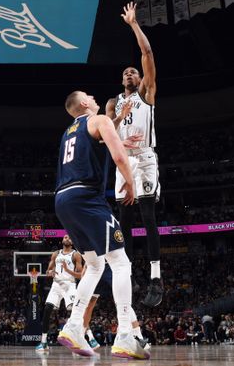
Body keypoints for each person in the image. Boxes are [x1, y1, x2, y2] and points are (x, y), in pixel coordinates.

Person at [53, 90, 149, 359]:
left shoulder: (69, 131)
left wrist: (117, 119)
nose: (93, 96)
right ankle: (125, 336)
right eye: (88, 95)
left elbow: (101, 135)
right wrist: (130, 183)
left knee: (95, 264)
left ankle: (73, 327)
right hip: (86, 197)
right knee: (120, 262)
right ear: (84, 103)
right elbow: (118, 156)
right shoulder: (98, 120)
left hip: (63, 200)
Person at [106, 2, 163, 308]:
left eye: (134, 72)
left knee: (147, 214)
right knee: (123, 219)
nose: (130, 74)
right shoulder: (113, 104)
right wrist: (118, 119)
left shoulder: (146, 94)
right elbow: (106, 135)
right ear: (122, 81)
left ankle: (155, 276)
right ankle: (127, 272)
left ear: (141, 79)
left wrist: (133, 25)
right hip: (122, 161)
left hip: (144, 158)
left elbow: (148, 54)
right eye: (126, 72)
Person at [36, 234, 82, 352]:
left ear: (72, 242)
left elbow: (80, 274)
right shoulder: (56, 253)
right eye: (65, 237)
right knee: (47, 310)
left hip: (70, 284)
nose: (67, 238)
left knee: (75, 311)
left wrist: (67, 270)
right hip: (56, 285)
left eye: (70, 237)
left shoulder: (76, 254)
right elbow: (48, 270)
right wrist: (49, 272)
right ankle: (44, 342)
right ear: (62, 240)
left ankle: (78, 339)